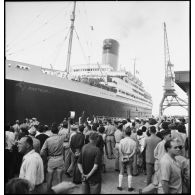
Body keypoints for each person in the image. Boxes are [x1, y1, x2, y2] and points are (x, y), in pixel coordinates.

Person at [40, 123, 65, 191]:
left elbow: (42, 152)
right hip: (60, 158)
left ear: (51, 131)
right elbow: (68, 133)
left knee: (50, 177)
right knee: (59, 178)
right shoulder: (61, 138)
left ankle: (48, 191)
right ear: (58, 131)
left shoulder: (48, 140)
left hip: (51, 159)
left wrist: (46, 157)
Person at [117, 127, 136, 192]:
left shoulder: (122, 141)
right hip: (130, 157)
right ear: (130, 133)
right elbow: (134, 151)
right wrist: (129, 156)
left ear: (125, 133)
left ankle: (120, 186)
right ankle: (129, 187)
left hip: (123, 156)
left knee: (121, 171)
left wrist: (123, 156)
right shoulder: (133, 142)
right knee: (129, 171)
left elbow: (120, 150)